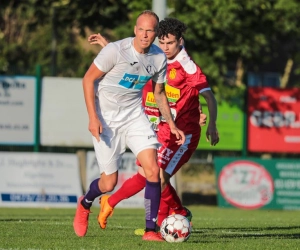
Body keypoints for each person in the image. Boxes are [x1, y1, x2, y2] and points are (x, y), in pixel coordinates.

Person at [90, 17, 219, 235]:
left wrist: (212, 125)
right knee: (148, 175)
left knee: (157, 177)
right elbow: (128, 59)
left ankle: (163, 222)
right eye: (162, 42)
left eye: (170, 43)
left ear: (180, 41)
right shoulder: (155, 56)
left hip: (182, 134)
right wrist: (108, 48)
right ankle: (160, 214)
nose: (165, 48)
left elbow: (210, 97)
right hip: (158, 128)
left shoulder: (187, 66)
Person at [73, 10, 185, 242]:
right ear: (135, 30)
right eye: (141, 29)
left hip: (135, 117)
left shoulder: (158, 58)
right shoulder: (115, 50)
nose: (145, 35)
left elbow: (159, 92)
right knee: (108, 183)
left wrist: (172, 124)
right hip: (106, 119)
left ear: (156, 33)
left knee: (153, 170)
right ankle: (85, 203)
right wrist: (93, 118)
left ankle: (150, 231)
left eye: (150, 30)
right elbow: (87, 79)